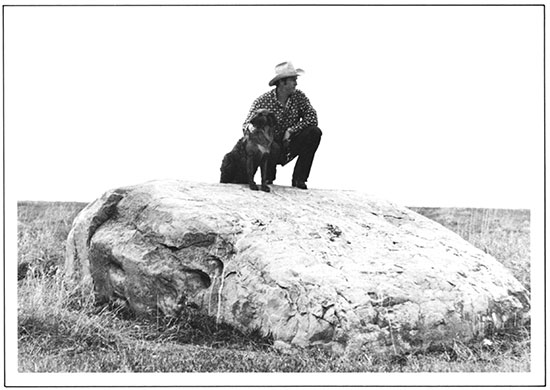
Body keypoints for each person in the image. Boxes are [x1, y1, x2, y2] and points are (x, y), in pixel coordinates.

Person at [242, 61, 322, 190]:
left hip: (290, 142)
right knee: (271, 146)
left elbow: (312, 118)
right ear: (282, 82)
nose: (296, 83)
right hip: (271, 145)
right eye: (293, 80)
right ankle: (267, 178)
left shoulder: (299, 97)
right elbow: (247, 124)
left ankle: (299, 179)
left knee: (314, 132)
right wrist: (258, 135)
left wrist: (291, 130)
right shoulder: (263, 101)